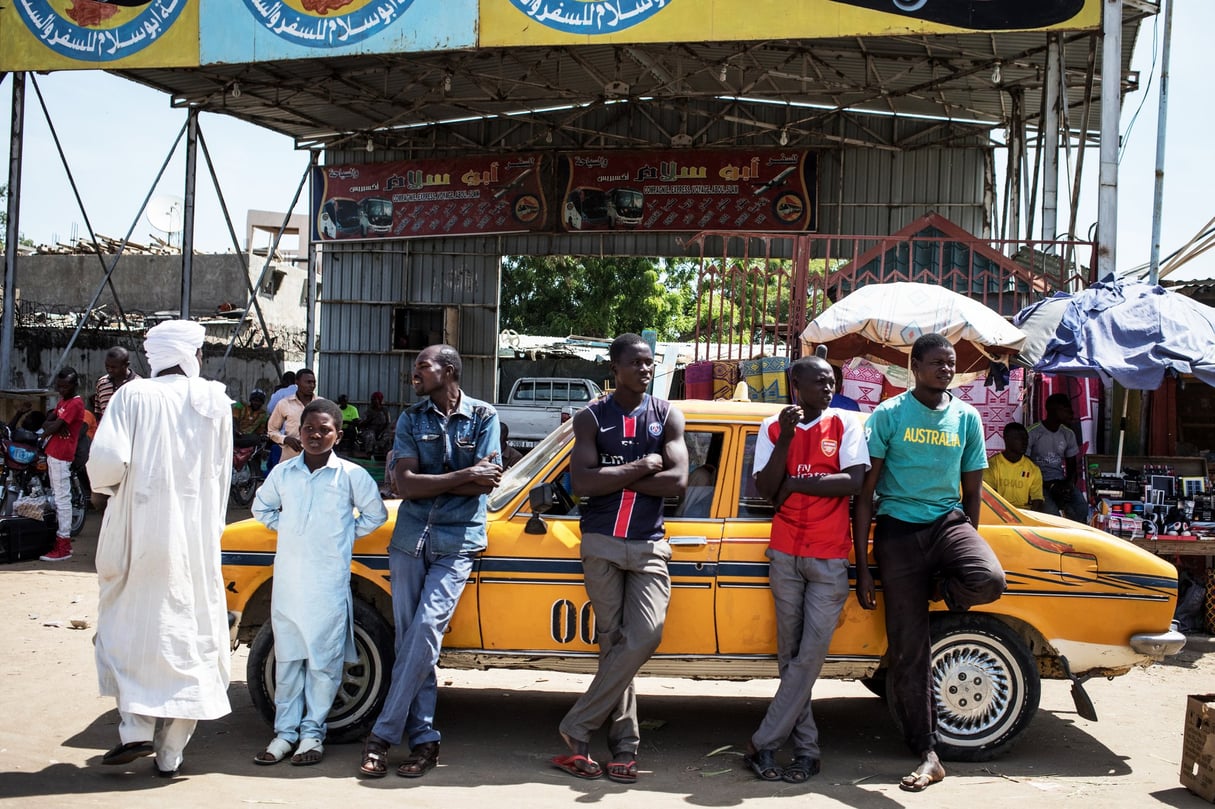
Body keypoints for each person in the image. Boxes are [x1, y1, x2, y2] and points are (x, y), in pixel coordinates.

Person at [853, 333, 1006, 793]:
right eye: (937, 362)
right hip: (898, 532)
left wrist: (962, 553)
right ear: (914, 365)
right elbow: (865, 495)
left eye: (951, 363)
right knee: (908, 649)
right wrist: (863, 566)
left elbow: (974, 491)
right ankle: (928, 752)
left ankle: (936, 589)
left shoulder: (966, 417)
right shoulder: (889, 415)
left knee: (989, 579)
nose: (946, 370)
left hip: (947, 525)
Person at [87, 319, 233, 777]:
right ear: (194, 355)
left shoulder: (133, 395)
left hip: (139, 528)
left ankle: (134, 728)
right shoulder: (215, 399)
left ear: (155, 356)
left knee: (130, 624)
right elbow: (222, 473)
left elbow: (107, 464)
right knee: (190, 631)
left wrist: (111, 490)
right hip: (194, 536)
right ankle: (171, 753)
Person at [358, 344, 502, 780]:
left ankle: (381, 736)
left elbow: (485, 486)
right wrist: (463, 476)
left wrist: (439, 482)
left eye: (423, 365)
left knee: (423, 631)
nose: (414, 373)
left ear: (450, 370)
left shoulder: (483, 417)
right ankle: (423, 742)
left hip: (457, 542)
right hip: (410, 541)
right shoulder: (410, 418)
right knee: (411, 641)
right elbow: (405, 484)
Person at [552, 333, 688, 784]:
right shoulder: (591, 417)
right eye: (636, 363)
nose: (645, 369)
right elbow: (583, 485)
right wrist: (641, 467)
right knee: (614, 645)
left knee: (644, 636)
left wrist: (615, 478)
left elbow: (678, 483)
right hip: (601, 543)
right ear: (615, 368)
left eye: (649, 363)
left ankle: (576, 727)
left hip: (649, 543)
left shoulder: (667, 414)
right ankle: (625, 747)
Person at [746, 355, 869, 784]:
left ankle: (763, 741)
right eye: (819, 381)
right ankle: (807, 752)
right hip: (784, 553)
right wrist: (787, 438)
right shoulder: (773, 427)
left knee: (808, 657)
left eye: (831, 381)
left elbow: (851, 482)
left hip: (829, 554)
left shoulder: (846, 423)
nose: (828, 388)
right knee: (790, 659)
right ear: (795, 383)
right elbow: (764, 489)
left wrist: (795, 484)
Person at [251, 398, 388, 767]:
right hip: (289, 584)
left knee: (323, 662)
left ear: (337, 435)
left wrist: (340, 536)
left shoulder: (351, 476)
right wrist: (294, 531)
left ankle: (312, 735)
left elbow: (375, 514)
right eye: (309, 429)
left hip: (328, 582)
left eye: (324, 429)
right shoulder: (283, 474)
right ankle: (283, 734)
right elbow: (261, 509)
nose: (315, 435)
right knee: (288, 659)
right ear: (300, 432)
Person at [38, 368, 86, 562]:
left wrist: (53, 428)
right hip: (54, 453)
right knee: (58, 497)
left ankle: (63, 544)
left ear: (74, 385)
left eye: (65, 386)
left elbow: (49, 428)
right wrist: (54, 426)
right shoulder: (64, 402)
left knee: (62, 499)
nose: (61, 390)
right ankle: (61, 540)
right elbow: (48, 422)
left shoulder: (75, 403)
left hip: (61, 455)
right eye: (59, 386)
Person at [1027, 393, 1089, 522]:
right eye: (1066, 410)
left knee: (1081, 508)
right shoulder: (1033, 432)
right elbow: (1024, 466)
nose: (1071, 413)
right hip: (1037, 483)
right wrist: (1050, 486)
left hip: (1059, 481)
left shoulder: (1068, 434)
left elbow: (1072, 468)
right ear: (1054, 410)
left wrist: (1068, 486)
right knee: (1051, 514)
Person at [984, 423, 1044, 511]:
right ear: (1007, 439)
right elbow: (990, 498)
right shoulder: (992, 466)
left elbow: (1037, 499)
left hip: (1024, 514)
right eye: (1019, 438)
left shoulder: (1033, 469)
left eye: (1026, 439)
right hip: (999, 514)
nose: (1024, 443)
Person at [267, 369, 317, 465]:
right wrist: (285, 439)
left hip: (315, 458)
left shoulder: (321, 404)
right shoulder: (284, 403)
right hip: (290, 458)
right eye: (308, 382)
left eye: (314, 382)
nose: (312, 386)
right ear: (296, 382)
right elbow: (272, 430)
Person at [95, 346, 139, 421]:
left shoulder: (138, 384)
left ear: (126, 365)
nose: (109, 370)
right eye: (107, 366)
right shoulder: (101, 383)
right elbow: (98, 413)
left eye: (114, 367)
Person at [265, 372, 298, 473]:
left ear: (285, 381)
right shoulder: (304, 392)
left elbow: (270, 409)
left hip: (284, 436)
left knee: (278, 466)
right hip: (301, 436)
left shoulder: (281, 392)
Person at [357, 391, 394, 458]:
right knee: (370, 435)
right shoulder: (369, 411)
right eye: (372, 399)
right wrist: (368, 420)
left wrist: (383, 432)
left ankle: (385, 455)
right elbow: (361, 424)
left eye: (375, 399)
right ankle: (369, 454)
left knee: (388, 436)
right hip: (370, 430)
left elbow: (388, 423)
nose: (373, 401)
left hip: (382, 430)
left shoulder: (385, 410)